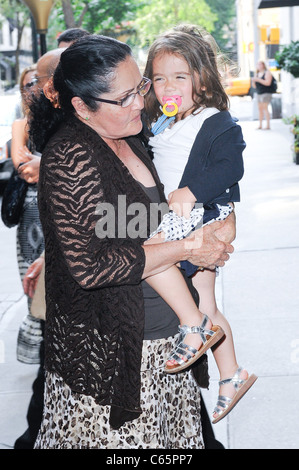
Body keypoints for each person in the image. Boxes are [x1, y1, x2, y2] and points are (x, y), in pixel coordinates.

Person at [27, 35, 234, 449]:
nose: (141, 102)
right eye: (123, 98)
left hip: (170, 344)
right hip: (113, 357)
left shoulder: (134, 133)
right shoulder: (70, 154)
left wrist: (218, 223)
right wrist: (191, 248)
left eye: (140, 87)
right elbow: (91, 266)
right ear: (82, 106)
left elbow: (134, 218)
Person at [143, 24, 257, 424]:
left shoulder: (214, 120)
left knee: (149, 256)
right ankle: (232, 373)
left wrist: (192, 189)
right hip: (183, 214)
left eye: (180, 76)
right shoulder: (162, 122)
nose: (168, 86)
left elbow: (233, 165)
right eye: (159, 78)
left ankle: (193, 328)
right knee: (207, 301)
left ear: (202, 78)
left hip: (201, 213)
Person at [14, 48, 65, 450]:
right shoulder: (58, 128)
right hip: (63, 261)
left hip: (85, 265)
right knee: (53, 361)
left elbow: (124, 214)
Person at [10, 64, 45, 366]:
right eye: (26, 85)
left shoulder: (65, 120)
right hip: (31, 216)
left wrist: (42, 163)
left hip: (56, 208)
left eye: (36, 81)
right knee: (32, 285)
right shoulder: (21, 125)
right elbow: (22, 165)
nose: (31, 88)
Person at [251, 60, 274, 130]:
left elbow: (268, 83)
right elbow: (254, 86)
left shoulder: (267, 73)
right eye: (258, 65)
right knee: (260, 109)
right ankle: (260, 125)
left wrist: (258, 80)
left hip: (266, 93)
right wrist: (254, 81)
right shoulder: (257, 74)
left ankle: (268, 125)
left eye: (260, 64)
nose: (259, 66)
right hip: (259, 93)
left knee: (265, 108)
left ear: (263, 65)